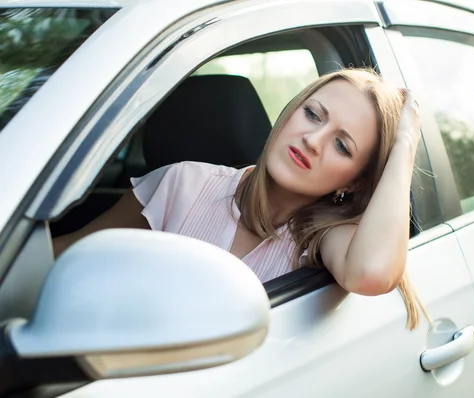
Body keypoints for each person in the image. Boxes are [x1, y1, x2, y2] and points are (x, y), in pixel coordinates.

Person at [52, 68, 423, 329]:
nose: (313, 140)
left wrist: (404, 144)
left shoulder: (322, 238)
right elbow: (63, 256)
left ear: (355, 183)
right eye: (312, 114)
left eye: (342, 145)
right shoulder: (183, 183)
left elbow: (372, 273)